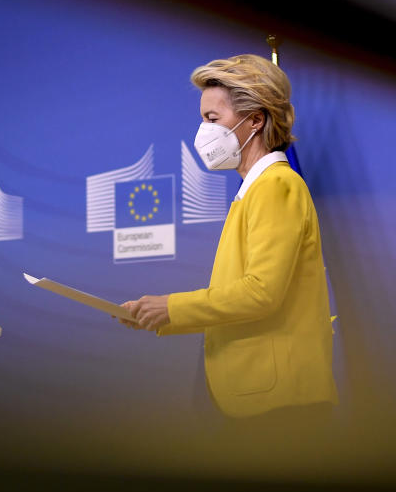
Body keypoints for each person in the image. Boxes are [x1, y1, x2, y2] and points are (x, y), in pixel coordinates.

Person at [120, 54, 338, 422]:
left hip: (279, 405)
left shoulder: (276, 185)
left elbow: (261, 293)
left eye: (212, 119)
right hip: (256, 397)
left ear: (255, 119)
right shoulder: (253, 191)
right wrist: (161, 317)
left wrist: (170, 307)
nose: (203, 131)